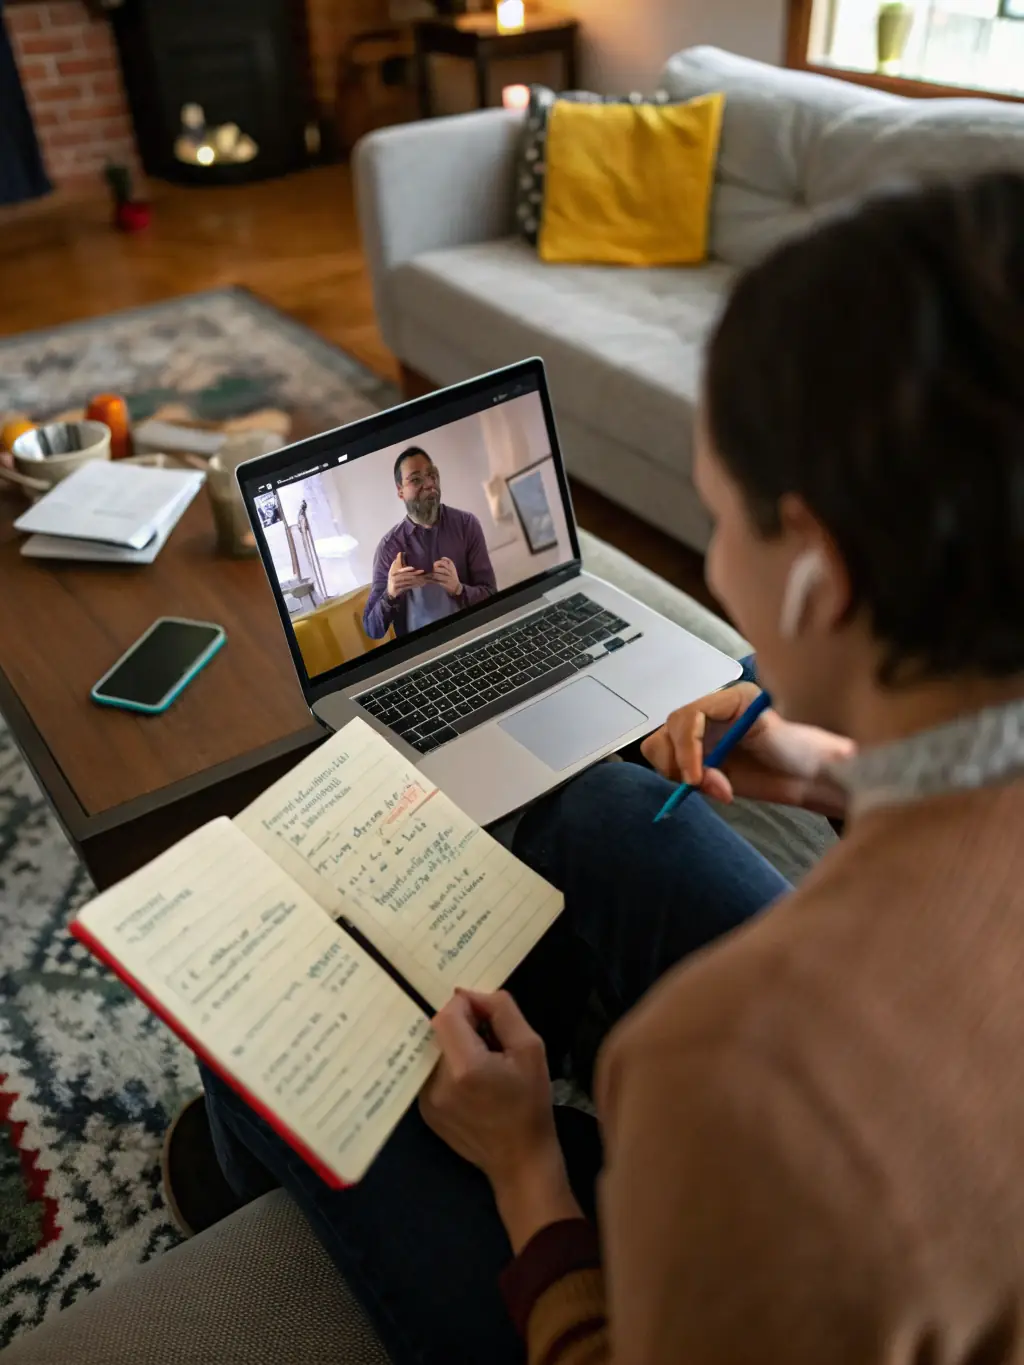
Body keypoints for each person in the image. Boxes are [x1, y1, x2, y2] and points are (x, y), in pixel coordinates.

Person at [202, 170, 1024, 1365]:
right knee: (592, 805)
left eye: (719, 519)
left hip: (695, 1256)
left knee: (250, 1034)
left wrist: (527, 1165)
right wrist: (839, 773)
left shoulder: (705, 1069)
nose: (716, 565)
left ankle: (246, 1170)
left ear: (819, 575)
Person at [363, 446, 497, 639]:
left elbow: (492, 596)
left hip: (473, 637)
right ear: (400, 491)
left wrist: (459, 589)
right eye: (416, 480)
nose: (429, 484)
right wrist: (390, 594)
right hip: (422, 650)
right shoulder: (388, 547)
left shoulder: (466, 525)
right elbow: (372, 629)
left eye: (431, 475)